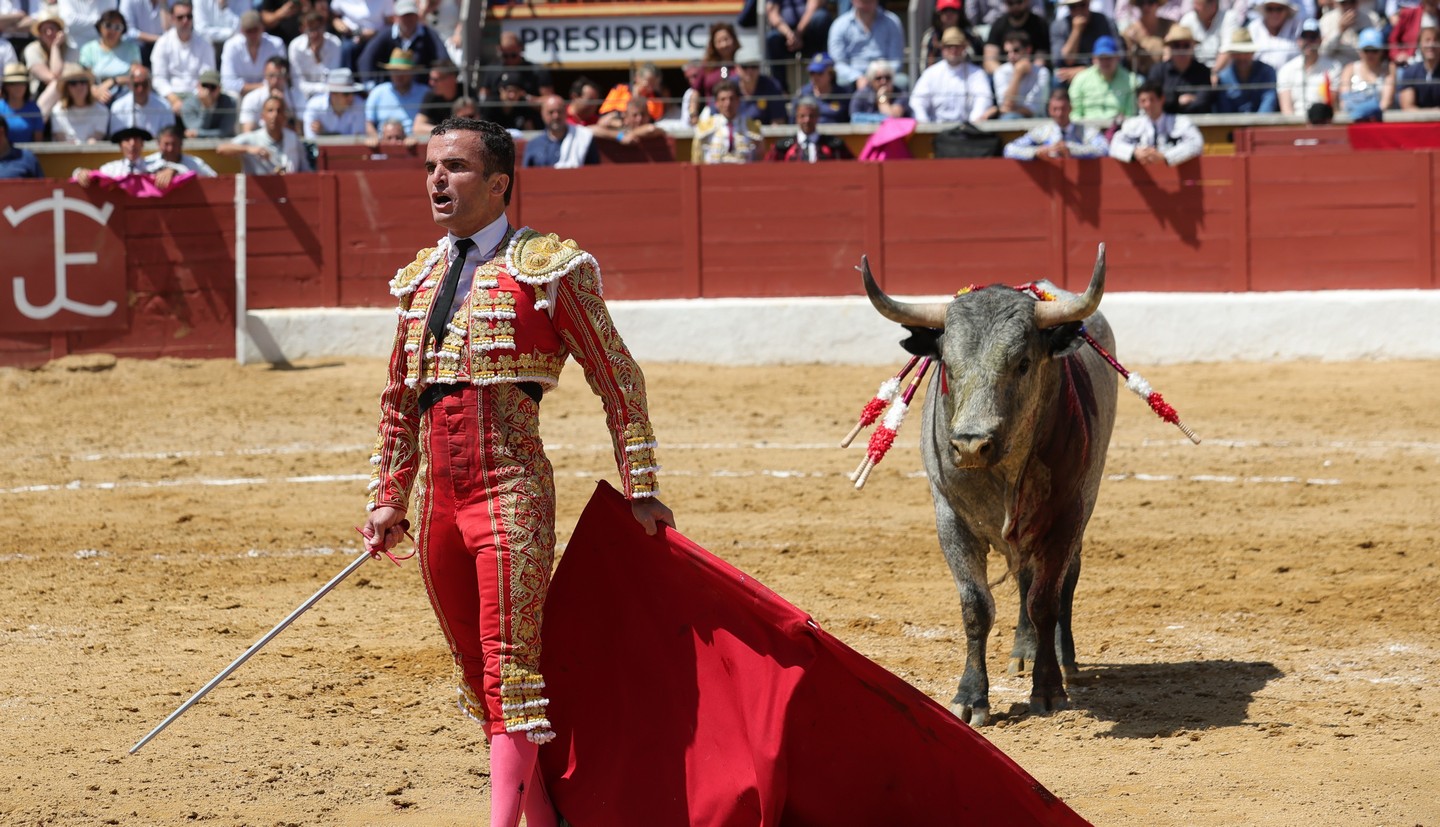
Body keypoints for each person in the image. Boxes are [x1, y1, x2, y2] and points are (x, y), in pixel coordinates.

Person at [361, 115, 673, 827]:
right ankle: (544, 816)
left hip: (510, 491)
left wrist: (642, 486)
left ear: (499, 183)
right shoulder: (421, 278)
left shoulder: (550, 268)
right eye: (433, 166)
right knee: (478, 674)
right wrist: (388, 499)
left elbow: (618, 376)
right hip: (441, 504)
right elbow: (400, 401)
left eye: (457, 167)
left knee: (510, 669)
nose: (438, 178)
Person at [1109, 80, 1204, 165]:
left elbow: (1196, 143)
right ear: (1138, 103)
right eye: (1143, 101)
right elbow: (1114, 145)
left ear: (1162, 99)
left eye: (1152, 99)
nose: (1148, 104)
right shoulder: (1132, 124)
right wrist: (1135, 152)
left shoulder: (1180, 122)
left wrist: (1166, 156)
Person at [1003, 88, 1112, 160]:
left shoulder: (1085, 131)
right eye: (1055, 109)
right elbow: (1009, 149)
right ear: (1049, 110)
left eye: (1063, 109)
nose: (1059, 113)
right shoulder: (1042, 132)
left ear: (1071, 108)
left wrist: (1072, 149)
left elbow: (1104, 148)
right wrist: (1037, 151)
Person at [910, 28, 993, 122]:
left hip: (966, 130)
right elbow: (917, 101)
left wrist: (973, 122)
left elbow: (983, 99)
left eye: (957, 46)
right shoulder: (931, 73)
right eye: (949, 46)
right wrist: (925, 124)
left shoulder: (977, 73)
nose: (953, 49)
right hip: (935, 129)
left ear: (964, 48)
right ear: (942, 48)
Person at [151, 1, 215, 118]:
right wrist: (174, 99)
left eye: (189, 16)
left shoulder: (205, 43)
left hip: (197, 96)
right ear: (172, 19)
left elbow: (207, 76)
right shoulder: (162, 43)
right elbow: (159, 79)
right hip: (170, 96)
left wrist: (191, 101)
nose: (185, 21)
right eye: (180, 17)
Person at [73, 125, 189, 189]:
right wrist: (80, 173)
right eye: (127, 140)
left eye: (136, 140)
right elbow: (85, 175)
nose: (132, 144)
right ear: (120, 146)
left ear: (142, 144)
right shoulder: (112, 168)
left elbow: (185, 171)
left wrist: (172, 171)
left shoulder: (154, 165)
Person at [356, 0, 443, 84]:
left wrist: (436, 81)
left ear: (417, 16)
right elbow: (366, 58)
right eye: (404, 16)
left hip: (421, 90)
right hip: (390, 90)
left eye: (411, 15)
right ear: (396, 17)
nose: (408, 19)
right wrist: (370, 85)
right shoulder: (386, 34)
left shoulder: (428, 34)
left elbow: (442, 58)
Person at [218, 94, 309, 173]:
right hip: (257, 191)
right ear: (263, 116)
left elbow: (305, 170)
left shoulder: (293, 138)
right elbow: (222, 148)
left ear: (285, 116)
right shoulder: (253, 138)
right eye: (270, 111)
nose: (275, 115)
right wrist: (248, 149)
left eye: (279, 111)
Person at [827, 0, 906, 88]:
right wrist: (857, 77)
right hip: (853, 79)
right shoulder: (839, 25)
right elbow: (838, 63)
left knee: (902, 81)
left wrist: (881, 77)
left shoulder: (892, 22)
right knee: (840, 82)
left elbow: (896, 60)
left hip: (884, 76)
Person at [1278, 18, 1342, 114]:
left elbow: (1334, 106)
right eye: (1304, 37)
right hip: (1295, 124)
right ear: (1298, 41)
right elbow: (1286, 110)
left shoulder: (1334, 67)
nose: (1308, 41)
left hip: (1323, 122)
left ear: (1320, 40)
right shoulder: (1286, 70)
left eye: (1313, 37)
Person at [1148, 25, 1216, 113]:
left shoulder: (1203, 71)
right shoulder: (1158, 71)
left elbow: (1203, 101)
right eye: (1176, 45)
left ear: (1192, 48)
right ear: (1170, 48)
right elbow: (1153, 100)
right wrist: (1177, 101)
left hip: (1196, 122)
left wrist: (1171, 103)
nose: (1181, 50)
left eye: (1186, 45)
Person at [692, 79, 763, 163]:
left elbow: (760, 160)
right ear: (716, 103)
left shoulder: (753, 127)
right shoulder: (704, 127)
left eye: (732, 98)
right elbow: (697, 160)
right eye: (723, 99)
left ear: (738, 101)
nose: (728, 104)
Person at [1069, 35, 1139, 118]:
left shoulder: (1131, 81)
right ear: (1094, 59)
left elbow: (1130, 114)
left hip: (1120, 128)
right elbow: (1075, 113)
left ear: (1117, 58)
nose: (1105, 62)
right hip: (1087, 127)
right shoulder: (1080, 79)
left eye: (1109, 57)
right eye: (1101, 58)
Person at [79, 9, 140, 103]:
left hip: (125, 95)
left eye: (117, 27)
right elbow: (86, 78)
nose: (112, 31)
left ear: (123, 30)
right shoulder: (88, 49)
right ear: (99, 27)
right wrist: (95, 91)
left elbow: (136, 76)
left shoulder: (132, 49)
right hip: (96, 95)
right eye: (108, 25)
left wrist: (113, 81)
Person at [522, 94, 599, 168]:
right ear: (542, 114)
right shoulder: (533, 144)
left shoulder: (583, 138)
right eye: (551, 112)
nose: (556, 116)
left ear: (566, 112)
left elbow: (593, 172)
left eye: (559, 111)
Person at [766, 95, 853, 161]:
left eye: (811, 116)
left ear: (818, 117)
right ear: (797, 118)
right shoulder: (782, 148)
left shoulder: (835, 146)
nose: (807, 120)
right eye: (802, 116)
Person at [220, 10, 285, 97]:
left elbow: (281, 76)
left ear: (262, 28)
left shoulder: (276, 44)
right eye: (249, 31)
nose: (253, 35)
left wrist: (262, 90)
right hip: (242, 95)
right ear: (242, 31)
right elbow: (227, 82)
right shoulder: (231, 46)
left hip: (270, 94)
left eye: (255, 30)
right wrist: (262, 87)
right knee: (232, 95)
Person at [366, 49, 429, 137]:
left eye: (403, 70)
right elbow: (368, 123)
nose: (399, 75)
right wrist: (375, 140)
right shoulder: (377, 92)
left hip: (416, 146)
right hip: (384, 146)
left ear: (412, 72)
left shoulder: (425, 93)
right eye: (395, 70)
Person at [1052, 0, 1118, 83]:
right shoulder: (1058, 26)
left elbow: (1118, 55)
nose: (1078, 10)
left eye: (1082, 5)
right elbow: (1061, 61)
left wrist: (1084, 71)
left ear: (1089, 3)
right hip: (1068, 73)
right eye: (1073, 7)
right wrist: (1076, 31)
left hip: (1100, 69)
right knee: (1057, 79)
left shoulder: (1105, 22)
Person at [1215, 27, 1280, 111]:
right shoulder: (1224, 77)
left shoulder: (1267, 72)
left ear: (1252, 53)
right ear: (1231, 55)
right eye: (1237, 53)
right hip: (1234, 123)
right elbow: (1225, 111)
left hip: (1263, 123)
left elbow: (1268, 103)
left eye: (1246, 52)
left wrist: (1258, 123)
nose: (1242, 57)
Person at [767, 0, 832, 83]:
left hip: (809, 32)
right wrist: (789, 34)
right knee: (772, 38)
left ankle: (823, 80)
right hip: (786, 35)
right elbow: (772, 14)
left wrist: (798, 33)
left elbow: (813, 7)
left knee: (822, 18)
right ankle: (781, 90)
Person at [688, 22, 740, 124]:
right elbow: (695, 91)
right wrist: (693, 113)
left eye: (726, 39)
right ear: (713, 44)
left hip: (738, 115)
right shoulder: (707, 66)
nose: (724, 44)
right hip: (711, 116)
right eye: (719, 41)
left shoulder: (742, 64)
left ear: (733, 40)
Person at [478, 31, 552, 103]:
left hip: (528, 114)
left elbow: (549, 100)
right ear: (499, 49)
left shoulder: (536, 70)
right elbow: (483, 96)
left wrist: (525, 97)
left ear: (520, 48)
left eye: (513, 55)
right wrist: (499, 100)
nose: (509, 59)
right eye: (505, 56)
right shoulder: (492, 70)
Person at [991, 31, 1051, 119]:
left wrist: (1009, 109)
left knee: (1011, 116)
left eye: (1016, 50)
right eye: (1007, 52)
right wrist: (1017, 75)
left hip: (1036, 121)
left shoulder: (1042, 72)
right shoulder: (1001, 71)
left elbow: (1035, 109)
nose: (1011, 56)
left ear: (1028, 49)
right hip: (1009, 120)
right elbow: (1006, 104)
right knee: (1010, 117)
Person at [1338, 28, 1395, 119]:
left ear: (1381, 51)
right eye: (1366, 50)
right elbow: (1344, 101)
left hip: (1378, 121)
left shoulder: (1388, 69)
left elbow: (1386, 102)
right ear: (1360, 51)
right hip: (1353, 120)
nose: (1370, 54)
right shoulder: (1349, 69)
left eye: (1374, 50)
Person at [24, 10, 79, 103]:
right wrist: (55, 47)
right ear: (40, 35)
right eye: (44, 30)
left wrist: (55, 47)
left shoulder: (72, 51)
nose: (49, 33)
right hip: (38, 95)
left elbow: (59, 76)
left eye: (52, 28)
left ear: (60, 31)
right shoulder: (31, 49)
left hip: (68, 96)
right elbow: (53, 77)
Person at [109, 64, 178, 138]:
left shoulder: (164, 106)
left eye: (144, 84)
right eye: (136, 85)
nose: (140, 89)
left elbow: (168, 136)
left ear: (150, 84)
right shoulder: (118, 107)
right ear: (130, 85)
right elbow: (116, 137)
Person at [983, 0, 1051, 75]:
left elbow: (1041, 59)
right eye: (1010, 3)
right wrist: (1005, 75)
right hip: (1004, 76)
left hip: (1032, 74)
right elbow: (989, 60)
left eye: (1019, 2)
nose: (1015, 6)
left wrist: (1023, 73)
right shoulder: (998, 25)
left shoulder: (1040, 25)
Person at [238, 56, 302, 132]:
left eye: (279, 76)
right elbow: (247, 131)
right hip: (259, 142)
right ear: (265, 75)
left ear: (286, 77)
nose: (275, 81)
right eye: (271, 76)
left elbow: (300, 132)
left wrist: (284, 105)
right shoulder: (251, 98)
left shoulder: (297, 96)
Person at [289, 10, 342, 99]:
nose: (315, 34)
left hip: (328, 96)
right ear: (302, 30)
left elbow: (332, 79)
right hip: (303, 96)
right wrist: (321, 88)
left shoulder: (335, 43)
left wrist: (317, 57)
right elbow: (298, 84)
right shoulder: (295, 47)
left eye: (318, 28)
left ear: (324, 27)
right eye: (310, 29)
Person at [596, 62, 666, 129]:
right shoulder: (620, 89)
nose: (651, 87)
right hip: (615, 128)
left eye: (655, 83)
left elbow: (652, 122)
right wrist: (620, 119)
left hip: (641, 131)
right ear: (637, 77)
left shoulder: (656, 98)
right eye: (649, 81)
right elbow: (604, 115)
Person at [51, 63, 109, 142]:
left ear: (88, 85)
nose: (79, 87)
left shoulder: (102, 111)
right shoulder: (57, 111)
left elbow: (97, 137)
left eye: (82, 81)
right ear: (66, 88)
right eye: (73, 83)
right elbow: (61, 139)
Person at [303, 65, 365, 136]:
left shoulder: (359, 104)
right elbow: (311, 141)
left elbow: (357, 141)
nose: (351, 97)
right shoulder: (314, 106)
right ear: (332, 94)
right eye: (346, 94)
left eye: (352, 93)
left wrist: (324, 134)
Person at [920, 0, 982, 68]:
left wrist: (965, 49)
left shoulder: (971, 35)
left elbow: (979, 61)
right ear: (938, 13)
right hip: (938, 76)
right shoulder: (930, 36)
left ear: (959, 13)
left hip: (967, 75)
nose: (949, 14)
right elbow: (924, 66)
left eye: (953, 10)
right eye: (945, 10)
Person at [734, 48, 788, 124]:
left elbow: (778, 121)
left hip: (765, 134)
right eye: (744, 66)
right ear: (736, 68)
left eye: (754, 66)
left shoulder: (772, 86)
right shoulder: (729, 86)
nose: (750, 70)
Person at [1122, 0, 1176, 77]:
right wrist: (1132, 45)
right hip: (1141, 78)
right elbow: (1129, 65)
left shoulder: (1170, 26)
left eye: (1150, 2)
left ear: (1157, 4)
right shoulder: (1129, 32)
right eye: (1141, 3)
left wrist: (1170, 46)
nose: (1145, 7)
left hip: (1166, 74)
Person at [1321, 0, 1383, 65]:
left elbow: (1378, 51)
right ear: (1336, 4)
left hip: (1363, 66)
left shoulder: (1372, 18)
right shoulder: (1326, 20)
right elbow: (1324, 52)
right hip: (1336, 66)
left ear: (1358, 3)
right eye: (1343, 3)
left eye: (1352, 2)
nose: (1348, 7)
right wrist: (1340, 31)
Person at [180, 68, 238, 137]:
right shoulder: (188, 104)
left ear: (219, 88)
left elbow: (224, 132)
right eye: (205, 85)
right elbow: (195, 129)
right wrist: (206, 108)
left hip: (224, 144)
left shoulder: (230, 102)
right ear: (198, 86)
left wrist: (200, 133)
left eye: (212, 87)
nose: (208, 91)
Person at [795, 52, 851, 122]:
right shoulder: (803, 94)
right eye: (812, 73)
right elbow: (793, 121)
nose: (815, 77)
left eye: (819, 73)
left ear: (831, 74)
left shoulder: (842, 94)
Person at [849, 57, 910, 122]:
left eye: (887, 77)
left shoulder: (900, 94)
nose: (883, 81)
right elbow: (855, 118)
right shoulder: (861, 94)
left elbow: (893, 118)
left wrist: (882, 99)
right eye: (878, 78)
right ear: (871, 80)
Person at [1247, 0, 1302, 69]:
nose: (1274, 13)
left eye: (1279, 9)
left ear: (1287, 11)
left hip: (1289, 78)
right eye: (1270, 9)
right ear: (1264, 10)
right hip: (1260, 78)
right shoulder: (1254, 28)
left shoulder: (1297, 28)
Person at [413, 60, 461, 137]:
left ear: (451, 79)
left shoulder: (466, 93)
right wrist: (446, 130)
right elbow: (417, 128)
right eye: (430, 79)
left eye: (435, 80)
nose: (430, 83)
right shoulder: (430, 96)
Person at [148, 123, 218, 175]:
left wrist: (176, 171)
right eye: (166, 144)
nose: (170, 149)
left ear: (181, 143)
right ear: (158, 144)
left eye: (174, 144)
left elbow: (214, 180)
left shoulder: (196, 164)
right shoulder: (148, 163)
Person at [1398, 26, 1440, 109]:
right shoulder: (1410, 72)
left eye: (1435, 40)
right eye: (1427, 40)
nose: (1431, 45)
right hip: (1417, 121)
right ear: (1419, 44)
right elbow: (1407, 107)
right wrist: (1434, 113)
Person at [0, 62, 43, 143]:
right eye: (13, 84)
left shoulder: (34, 108)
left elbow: (38, 142)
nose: (18, 87)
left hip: (28, 154)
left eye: (22, 83)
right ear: (6, 86)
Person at [119, 0, 169, 65]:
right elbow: (127, 31)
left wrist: (163, 5)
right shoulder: (128, 1)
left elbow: (168, 30)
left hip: (163, 47)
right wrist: (159, 39)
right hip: (137, 49)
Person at [1389, 0, 1438, 65]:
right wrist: (1397, 55)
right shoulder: (1409, 14)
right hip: (1409, 63)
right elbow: (1393, 38)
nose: (1431, 1)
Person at [1177, 0, 1226, 66]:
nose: (1195, 7)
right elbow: (1177, 45)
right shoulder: (1188, 19)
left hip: (1221, 72)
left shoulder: (1228, 17)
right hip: (1193, 71)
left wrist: (1213, 73)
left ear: (1213, 6)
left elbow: (1227, 51)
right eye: (1194, 4)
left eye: (1199, 5)